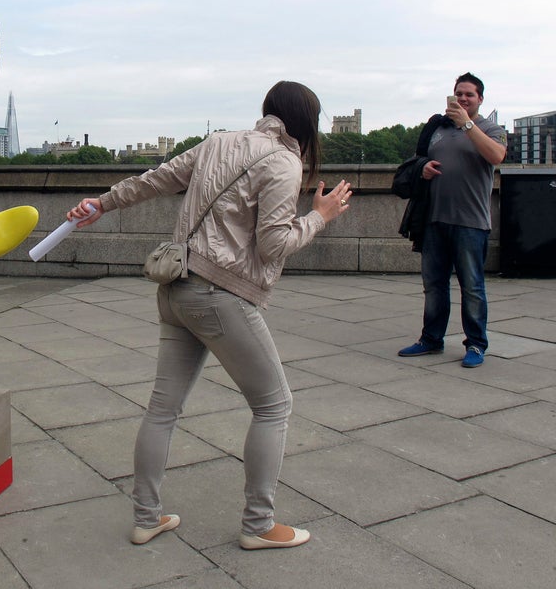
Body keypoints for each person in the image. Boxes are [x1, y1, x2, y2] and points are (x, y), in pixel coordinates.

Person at [66, 81, 351, 550]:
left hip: (176, 287)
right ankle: (259, 525)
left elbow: (155, 179)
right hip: (222, 296)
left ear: (268, 111)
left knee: (162, 408)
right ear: (307, 123)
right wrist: (319, 216)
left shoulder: (219, 141)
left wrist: (102, 202)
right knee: (274, 406)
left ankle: (146, 517)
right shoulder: (282, 162)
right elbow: (274, 244)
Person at [397, 72, 507, 368]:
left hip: (471, 222)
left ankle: (476, 344)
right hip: (434, 220)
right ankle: (431, 339)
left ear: (480, 99)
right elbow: (418, 159)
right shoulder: (438, 129)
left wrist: (467, 124)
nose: (462, 99)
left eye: (469, 94)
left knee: (472, 287)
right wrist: (423, 169)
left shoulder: (490, 129)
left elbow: (497, 156)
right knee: (434, 285)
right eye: (458, 94)